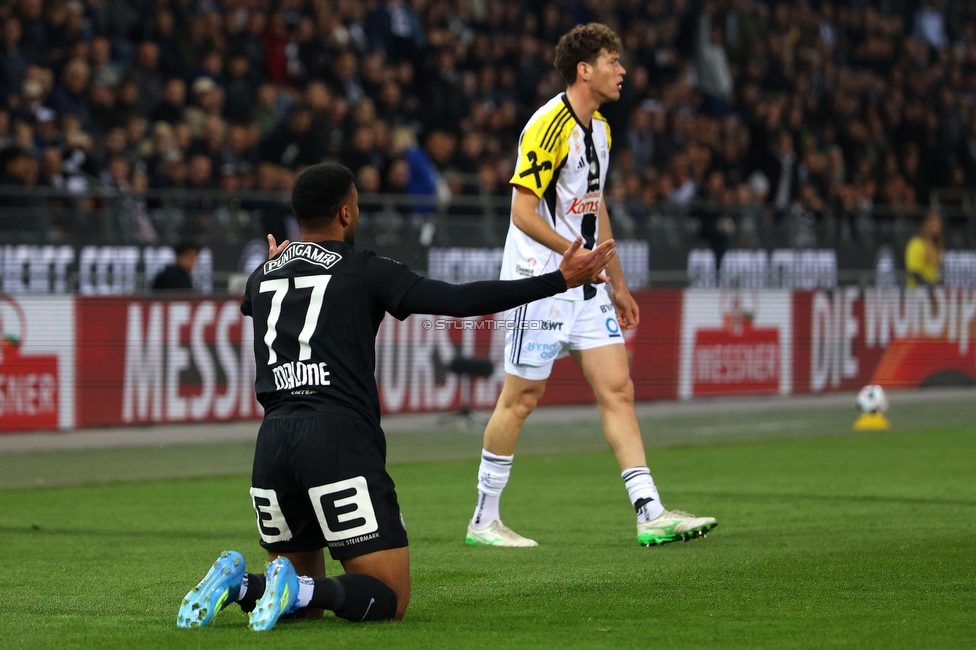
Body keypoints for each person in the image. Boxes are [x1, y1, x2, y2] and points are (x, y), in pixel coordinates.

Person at [176, 162, 615, 631]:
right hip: (337, 439)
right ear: (345, 214)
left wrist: (279, 260)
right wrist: (559, 279)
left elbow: (251, 302)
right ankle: (284, 585)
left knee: (307, 604)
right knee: (389, 598)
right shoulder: (365, 269)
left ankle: (243, 587)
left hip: (273, 444)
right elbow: (459, 301)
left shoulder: (261, 276)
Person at [463, 23, 717, 549]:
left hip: (584, 283)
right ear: (585, 69)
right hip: (541, 280)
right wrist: (570, 259)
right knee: (522, 398)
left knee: (618, 390)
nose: (622, 70)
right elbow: (521, 213)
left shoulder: (599, 129)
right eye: (612, 60)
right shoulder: (546, 126)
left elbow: (594, 208)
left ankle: (650, 512)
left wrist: (617, 282)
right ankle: (483, 520)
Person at [905, 211, 943, 287]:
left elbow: (936, 272)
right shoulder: (916, 244)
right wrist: (928, 286)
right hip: (916, 292)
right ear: (926, 225)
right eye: (933, 224)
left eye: (938, 224)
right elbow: (914, 272)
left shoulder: (936, 248)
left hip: (931, 293)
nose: (936, 228)